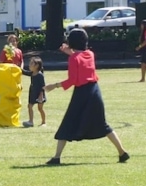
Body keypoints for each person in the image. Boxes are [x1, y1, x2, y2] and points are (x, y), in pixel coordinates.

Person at [42, 28, 129, 166]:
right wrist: (69, 52)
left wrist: (54, 85)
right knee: (103, 124)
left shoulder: (73, 59)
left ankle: (57, 157)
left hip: (82, 93)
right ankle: (122, 152)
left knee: (68, 123)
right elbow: (80, 57)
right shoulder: (90, 54)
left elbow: (73, 80)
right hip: (94, 91)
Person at [22, 56, 46, 127]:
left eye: (31, 63)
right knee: (29, 106)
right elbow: (24, 72)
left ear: (37, 66)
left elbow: (43, 86)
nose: (29, 65)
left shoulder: (40, 75)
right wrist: (17, 68)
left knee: (40, 108)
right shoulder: (32, 73)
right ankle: (31, 121)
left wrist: (41, 96)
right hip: (33, 93)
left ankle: (43, 122)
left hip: (39, 94)